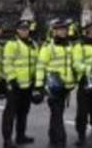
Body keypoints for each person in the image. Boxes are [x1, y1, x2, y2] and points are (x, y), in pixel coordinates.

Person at [37, 19, 78, 148]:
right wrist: (39, 85)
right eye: (60, 30)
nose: (63, 32)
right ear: (54, 31)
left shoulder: (69, 46)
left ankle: (53, 136)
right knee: (57, 113)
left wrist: (75, 79)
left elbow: (72, 65)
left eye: (65, 30)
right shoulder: (48, 47)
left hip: (66, 86)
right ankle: (60, 140)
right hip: (53, 86)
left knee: (57, 113)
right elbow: (40, 66)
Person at [2, 20, 38, 148]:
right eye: (22, 29)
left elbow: (35, 64)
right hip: (15, 85)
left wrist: (36, 81)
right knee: (10, 113)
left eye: (26, 29)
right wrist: (12, 79)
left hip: (28, 85)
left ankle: (20, 136)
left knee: (23, 112)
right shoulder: (12, 44)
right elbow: (7, 63)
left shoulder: (33, 44)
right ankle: (7, 140)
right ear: (17, 30)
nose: (25, 31)